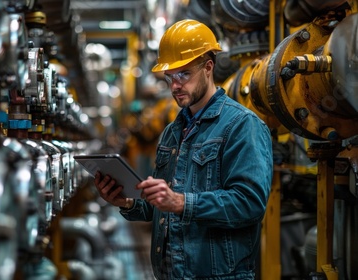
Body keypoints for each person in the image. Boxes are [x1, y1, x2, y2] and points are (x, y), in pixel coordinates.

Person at [94, 19, 273, 279]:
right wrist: (128, 202)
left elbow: (250, 203)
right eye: (170, 77)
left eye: (184, 74)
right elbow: (161, 208)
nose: (175, 85)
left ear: (208, 67)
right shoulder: (172, 132)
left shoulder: (242, 125)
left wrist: (180, 202)